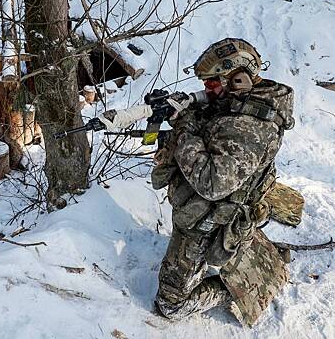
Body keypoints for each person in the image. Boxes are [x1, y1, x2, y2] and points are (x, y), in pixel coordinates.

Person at [99, 38, 295, 322]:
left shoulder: (252, 126)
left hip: (210, 218)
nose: (207, 89)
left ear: (238, 78)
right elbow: (216, 126)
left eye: (213, 82)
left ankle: (242, 285)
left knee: (170, 306)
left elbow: (213, 184)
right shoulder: (242, 102)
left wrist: (183, 127)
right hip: (202, 207)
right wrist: (184, 111)